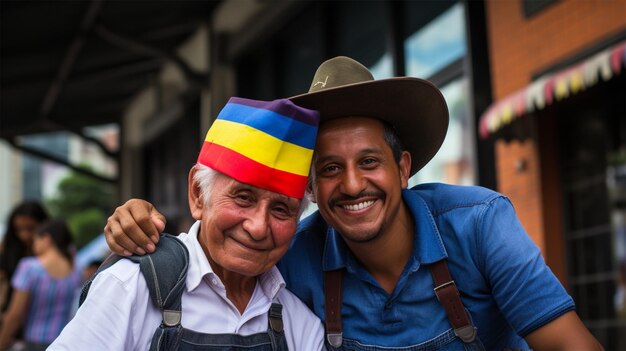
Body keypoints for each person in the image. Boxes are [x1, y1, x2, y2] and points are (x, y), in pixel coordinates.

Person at [105, 56, 603, 350]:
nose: (351, 184)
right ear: (311, 190)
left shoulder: (479, 223)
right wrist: (139, 222)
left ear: (403, 168)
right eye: (328, 169)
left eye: (369, 162)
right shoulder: (292, 257)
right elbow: (218, 256)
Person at [49, 97, 325, 350]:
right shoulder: (130, 289)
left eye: (280, 210)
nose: (258, 227)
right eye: (243, 198)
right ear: (197, 193)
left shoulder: (300, 325)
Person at [0, 220, 81, 351]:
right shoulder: (75, 269)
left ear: (46, 239)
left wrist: (2, 342)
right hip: (64, 340)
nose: (33, 246)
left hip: (35, 341)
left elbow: (15, 314)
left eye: (35, 241)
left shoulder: (29, 267)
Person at [0, 202, 49, 319]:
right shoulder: (7, 248)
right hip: (9, 316)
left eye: (30, 228)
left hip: (38, 318)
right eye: (19, 229)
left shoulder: (52, 254)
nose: (24, 235)